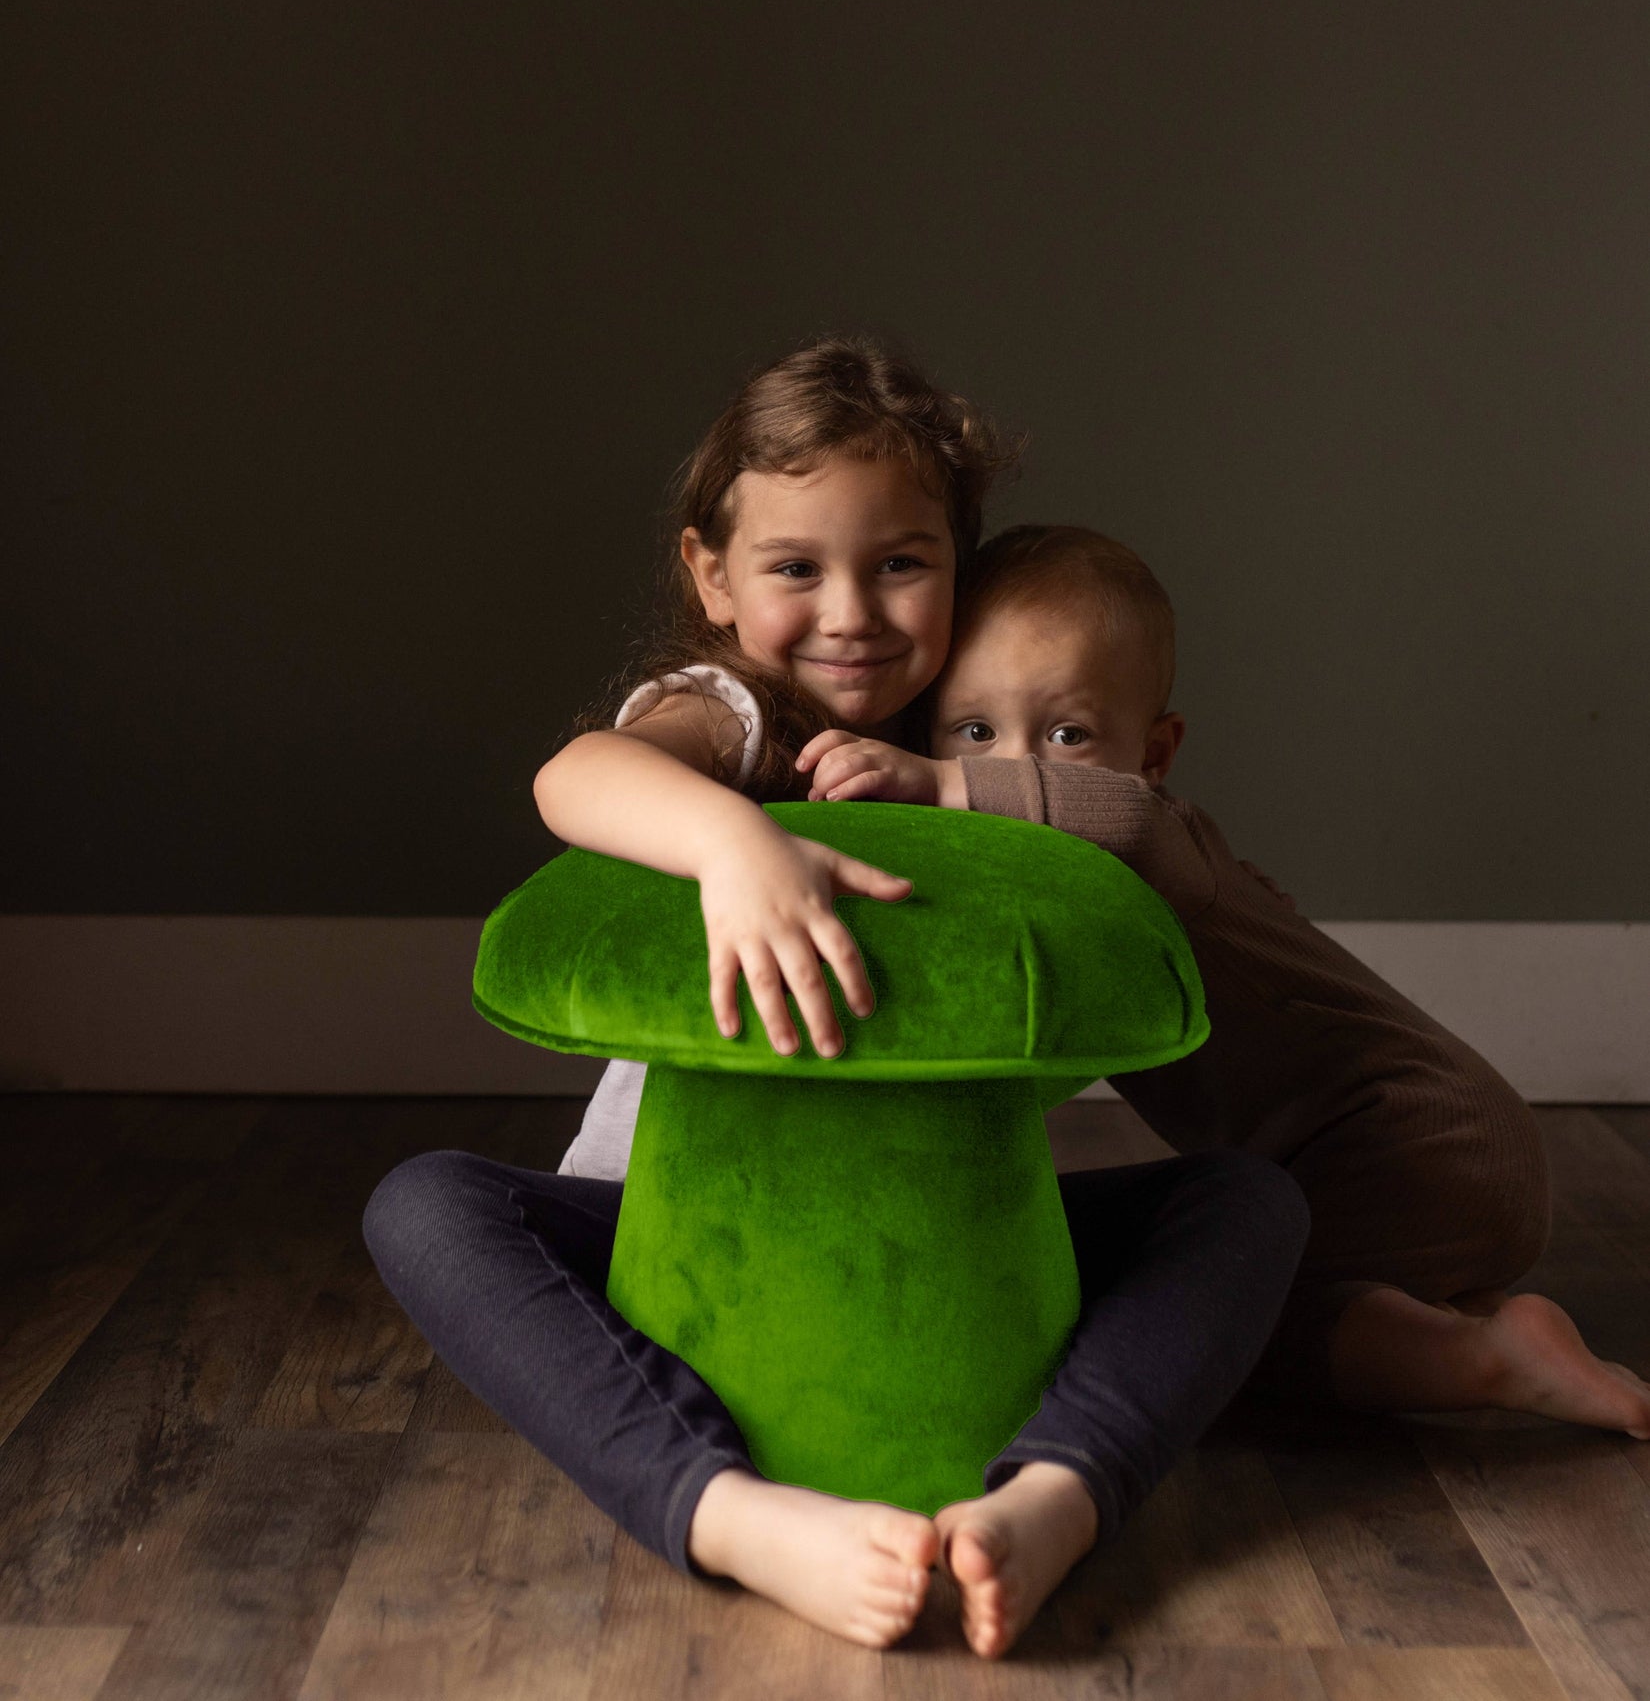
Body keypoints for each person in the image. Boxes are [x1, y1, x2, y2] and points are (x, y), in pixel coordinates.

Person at [365, 341, 1309, 1660]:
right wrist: (733, 842)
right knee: (424, 1204)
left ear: (958, 568)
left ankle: (1054, 1491)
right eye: (795, 567)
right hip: (661, 1218)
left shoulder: (964, 732)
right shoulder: (736, 713)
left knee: (1245, 1203)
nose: (850, 612)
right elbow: (575, 776)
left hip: (946, 1227)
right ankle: (725, 1509)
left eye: (901, 563)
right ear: (710, 576)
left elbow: (1121, 823)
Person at [796, 522, 1650, 1440]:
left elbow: (1117, 819)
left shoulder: (1158, 837)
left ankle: (1480, 1359)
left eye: (1068, 733)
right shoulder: (1088, 880)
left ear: (1155, 757)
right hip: (1407, 1159)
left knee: (1194, 1326)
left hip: (1416, 1140)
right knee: (1262, 1289)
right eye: (973, 730)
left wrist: (936, 780)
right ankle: (1448, 1316)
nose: (1007, 764)